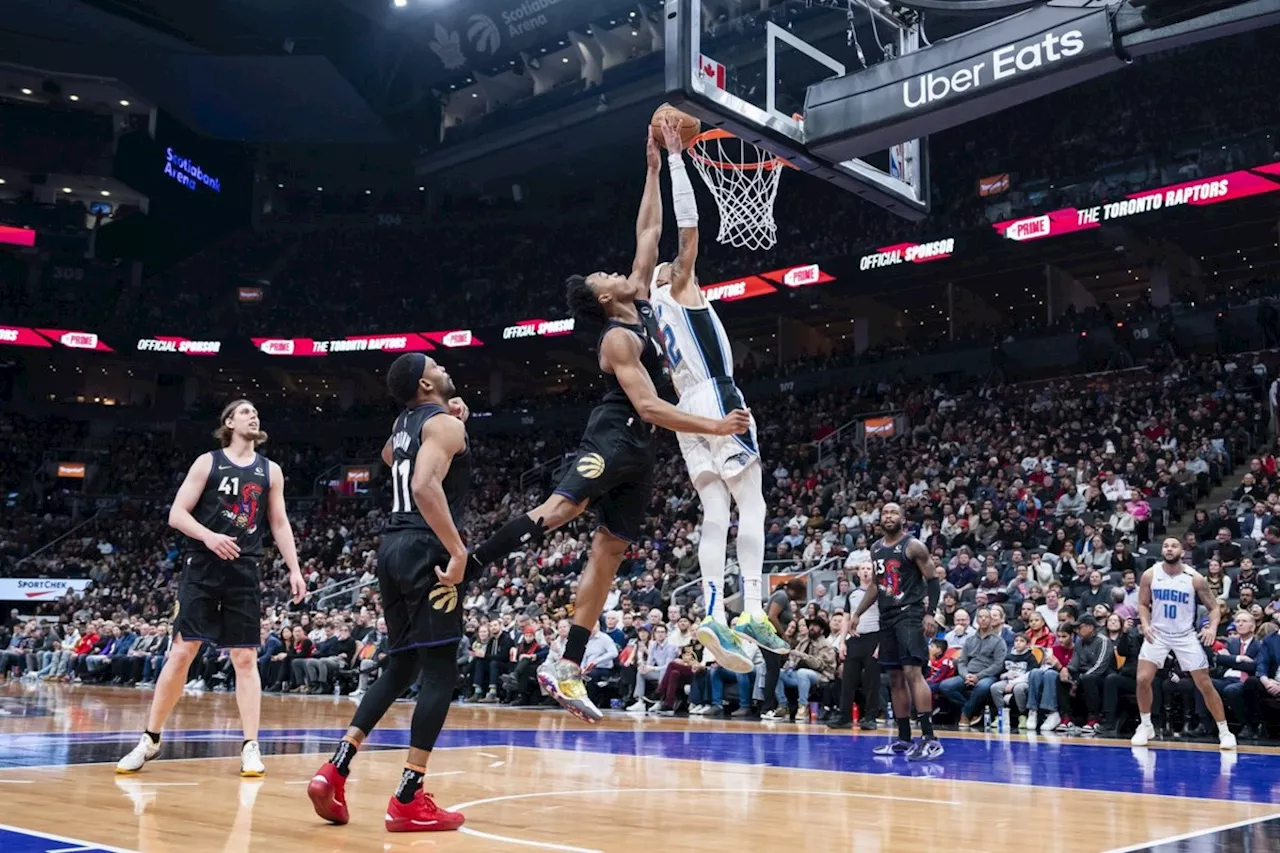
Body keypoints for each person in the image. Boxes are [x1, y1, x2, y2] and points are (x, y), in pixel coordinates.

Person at [461, 133, 749, 723]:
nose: (611, 269)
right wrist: (716, 427)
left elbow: (648, 233)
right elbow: (647, 408)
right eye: (601, 274)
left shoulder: (639, 298)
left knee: (611, 549)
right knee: (561, 511)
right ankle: (473, 563)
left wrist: (651, 168)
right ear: (600, 298)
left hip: (638, 452)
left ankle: (564, 665)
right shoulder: (618, 336)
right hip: (615, 432)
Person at [308, 353, 475, 832]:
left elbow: (389, 457)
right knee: (441, 669)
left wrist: (446, 421)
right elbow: (424, 485)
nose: (446, 367)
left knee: (402, 664)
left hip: (391, 548)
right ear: (426, 383)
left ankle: (335, 767)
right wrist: (457, 550)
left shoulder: (407, 423)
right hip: (427, 547)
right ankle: (408, 796)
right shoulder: (442, 424)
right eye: (437, 365)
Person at [647, 116, 787, 672]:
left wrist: (655, 165)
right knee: (752, 503)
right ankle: (752, 607)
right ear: (671, 278)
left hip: (685, 414)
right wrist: (678, 160)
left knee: (713, 512)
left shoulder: (654, 312)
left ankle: (711, 611)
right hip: (715, 398)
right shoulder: (678, 288)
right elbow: (688, 228)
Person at [117, 400, 305, 776]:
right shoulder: (208, 462)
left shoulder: (271, 471)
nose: (254, 415)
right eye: (246, 411)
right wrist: (209, 536)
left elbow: (279, 524)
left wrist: (294, 569)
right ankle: (151, 738)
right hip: (201, 567)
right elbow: (177, 514)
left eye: (256, 411)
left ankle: (251, 745)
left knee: (246, 658)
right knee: (182, 652)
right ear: (229, 422)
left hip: (245, 569)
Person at [849, 502, 944, 761]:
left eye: (893, 513)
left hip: (910, 614)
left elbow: (933, 581)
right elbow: (876, 586)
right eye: (884, 513)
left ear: (903, 518)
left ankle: (930, 738)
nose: (888, 516)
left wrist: (930, 613)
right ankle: (903, 739)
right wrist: (857, 612)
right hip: (887, 616)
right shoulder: (877, 548)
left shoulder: (913, 546)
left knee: (913, 673)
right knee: (894, 677)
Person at [1131, 538, 1236, 750]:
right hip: (1158, 633)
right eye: (1166, 546)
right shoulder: (1150, 574)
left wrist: (1211, 628)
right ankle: (1145, 725)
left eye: (1174, 546)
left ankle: (1225, 731)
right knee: (1142, 679)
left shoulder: (1194, 578)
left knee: (1204, 683)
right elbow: (1142, 604)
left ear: (1182, 551)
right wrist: (1145, 623)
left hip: (1185, 634)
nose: (1169, 549)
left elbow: (1214, 608)